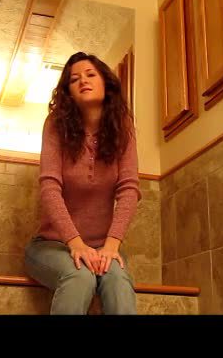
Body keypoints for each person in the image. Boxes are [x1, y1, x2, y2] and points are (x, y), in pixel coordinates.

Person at [24, 51, 141, 315]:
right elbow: (49, 188)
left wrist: (111, 245)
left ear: (106, 83)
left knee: (118, 281)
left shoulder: (123, 127)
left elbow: (129, 189)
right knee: (79, 275)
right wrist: (76, 244)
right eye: (74, 79)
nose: (83, 81)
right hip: (52, 245)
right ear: (69, 92)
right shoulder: (56, 125)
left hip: (103, 247)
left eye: (90, 75)